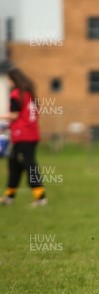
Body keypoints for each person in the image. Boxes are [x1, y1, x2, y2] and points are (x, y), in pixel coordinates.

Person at [0, 67, 47, 206]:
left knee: (29, 166)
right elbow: (26, 116)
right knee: (14, 164)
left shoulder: (16, 94)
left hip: (23, 136)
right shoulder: (29, 94)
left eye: (9, 79)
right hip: (31, 134)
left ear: (13, 79)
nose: (8, 82)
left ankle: (40, 198)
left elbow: (14, 115)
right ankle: (9, 197)